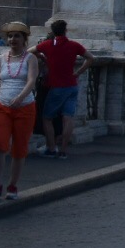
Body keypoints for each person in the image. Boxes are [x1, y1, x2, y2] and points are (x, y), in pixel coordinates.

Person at [0, 21, 40, 200]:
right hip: (2, 106)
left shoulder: (31, 59)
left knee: (19, 148)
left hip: (25, 108)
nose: (12, 39)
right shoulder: (0, 59)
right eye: (10, 36)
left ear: (24, 39)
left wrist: (21, 97)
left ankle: (13, 185)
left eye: (17, 36)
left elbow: (32, 80)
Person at [33, 19, 90, 158]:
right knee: (68, 118)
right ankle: (63, 150)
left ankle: (51, 148)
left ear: (52, 31)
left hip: (57, 87)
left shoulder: (47, 45)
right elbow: (90, 58)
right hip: (72, 85)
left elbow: (29, 51)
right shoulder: (74, 45)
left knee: (47, 118)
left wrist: (43, 57)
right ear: (66, 31)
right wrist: (78, 72)